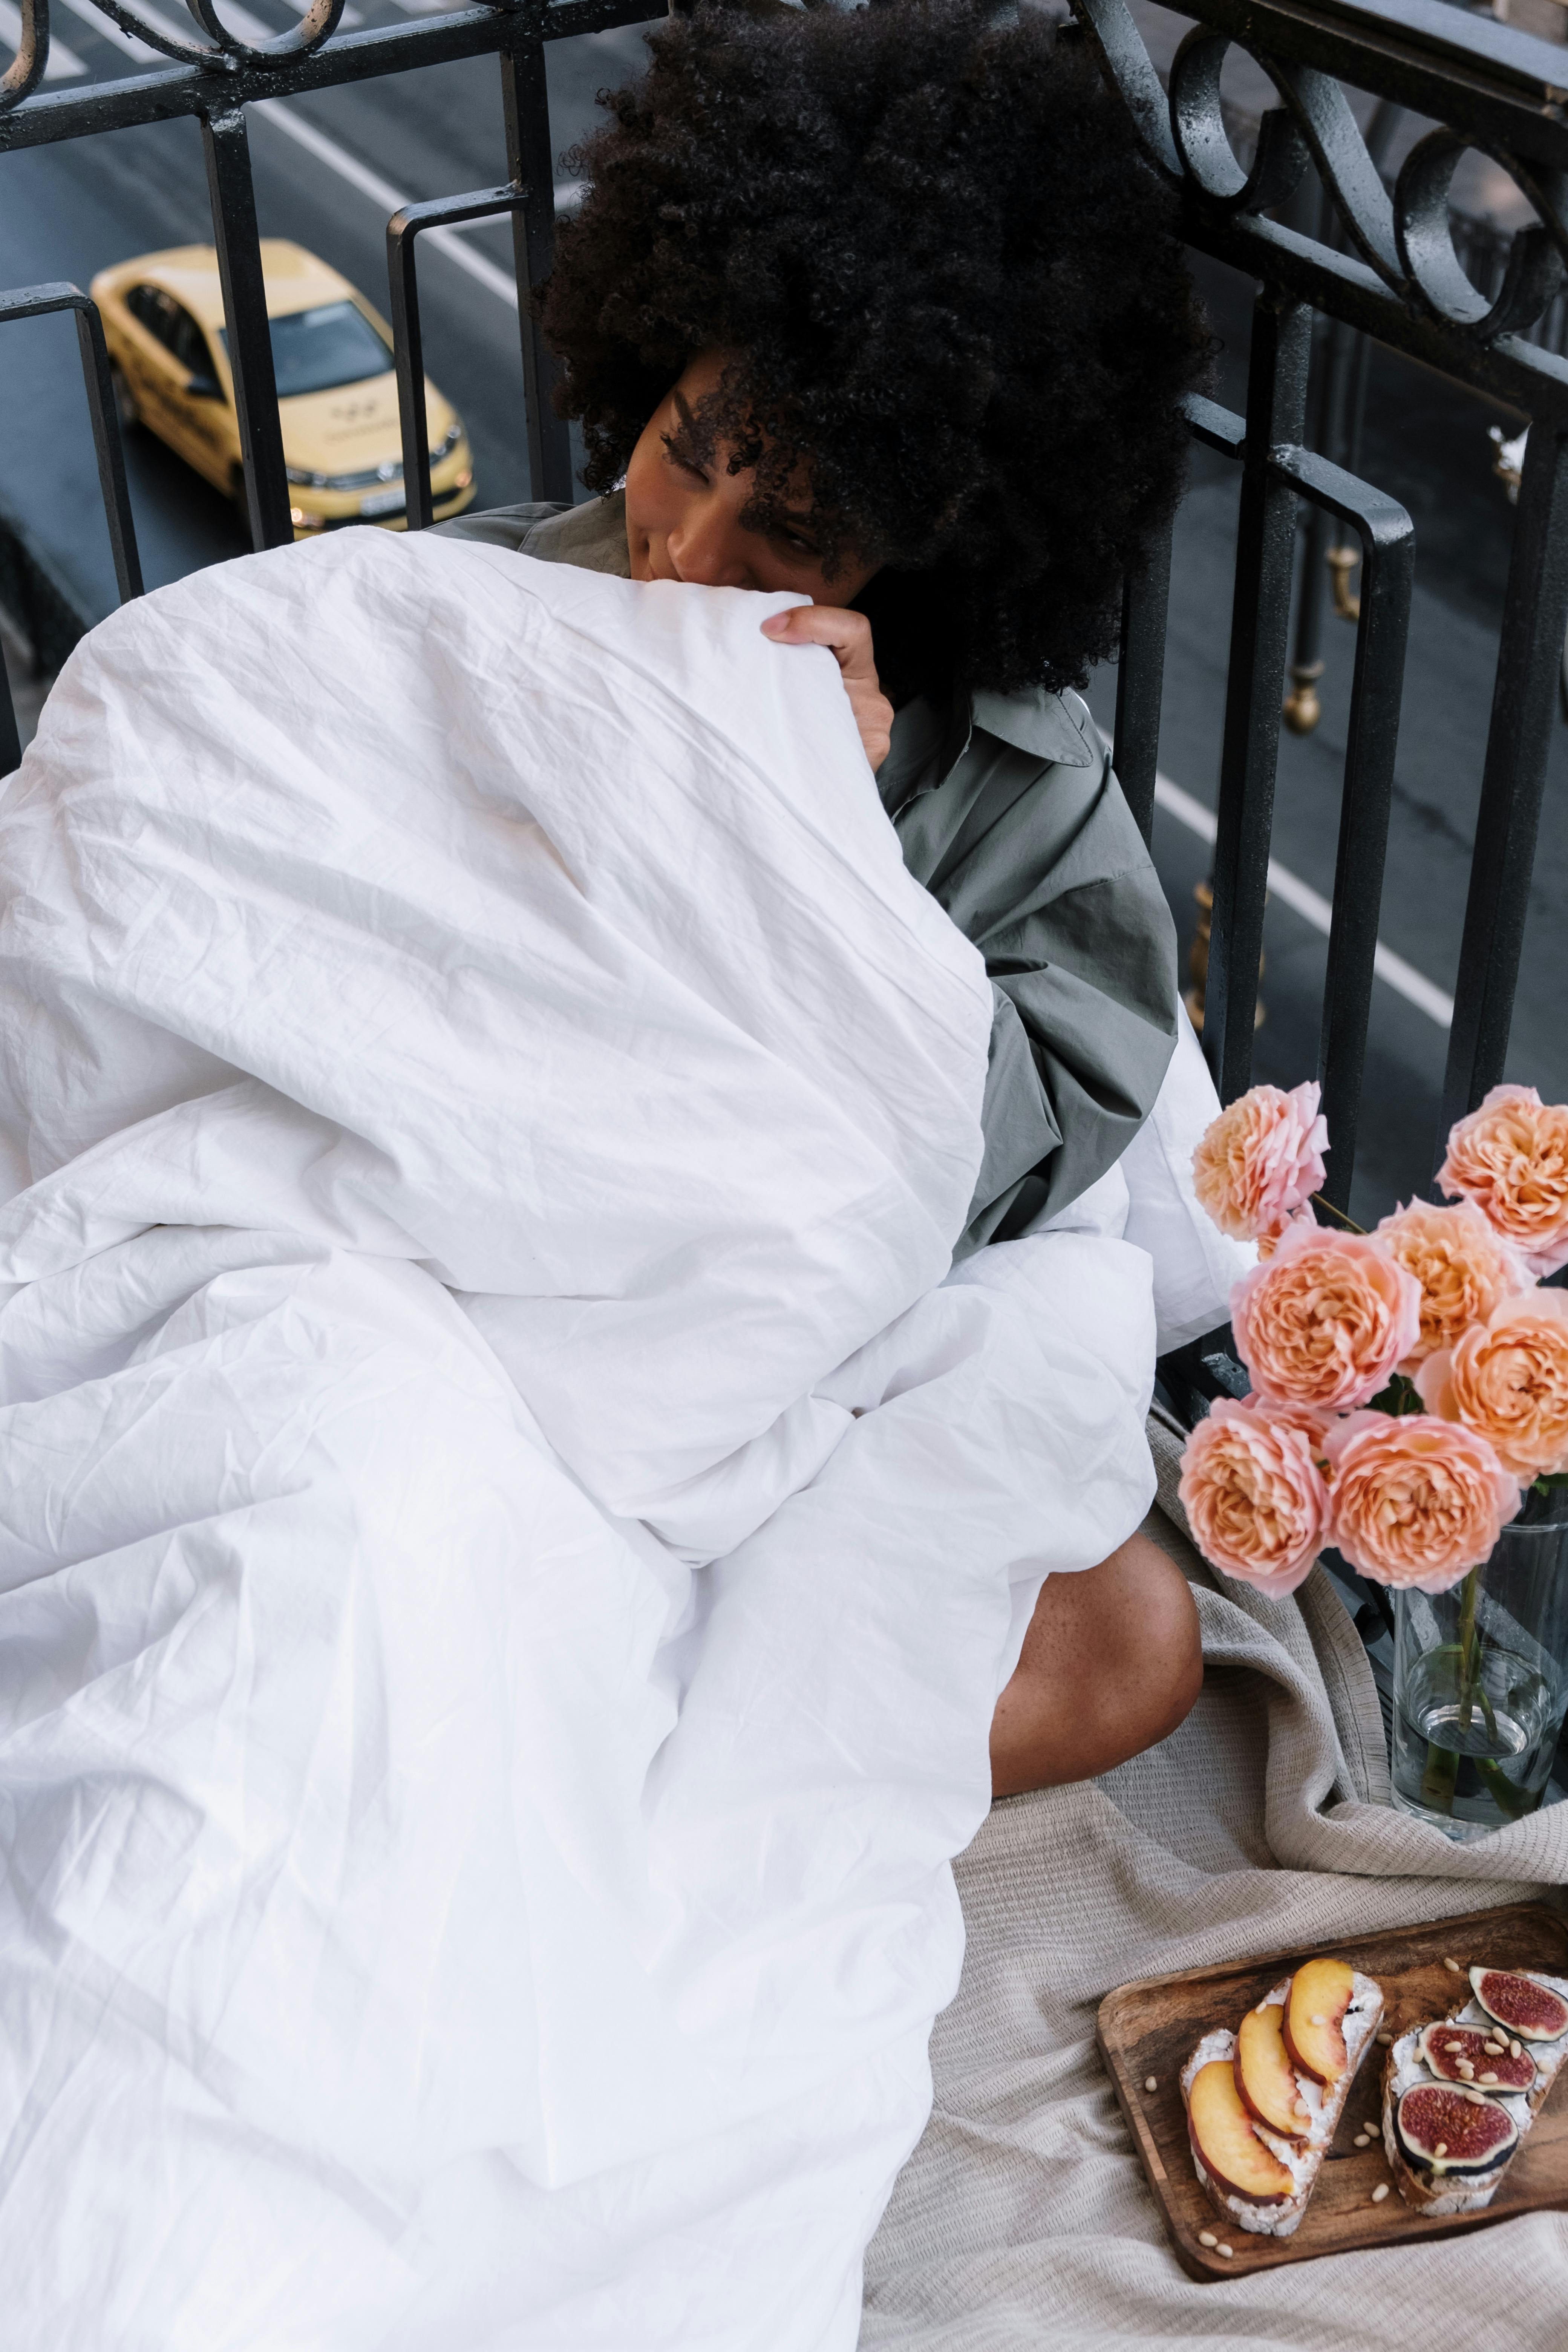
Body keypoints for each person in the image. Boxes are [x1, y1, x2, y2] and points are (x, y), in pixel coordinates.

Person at [441, 0, 1208, 1794]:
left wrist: (836, 856)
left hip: (790, 1362)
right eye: (686, 449)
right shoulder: (485, 608)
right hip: (478, 1311)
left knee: (1131, 1642)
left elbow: (984, 1174)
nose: (684, 554)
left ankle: (586, 1786)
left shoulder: (1026, 802)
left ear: (927, 546)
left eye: (785, 528)